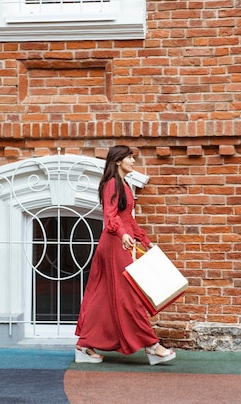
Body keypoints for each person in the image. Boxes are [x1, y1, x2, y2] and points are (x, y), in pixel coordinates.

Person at [74, 145, 176, 365]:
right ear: (118, 161)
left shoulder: (124, 185)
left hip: (121, 243)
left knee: (103, 297)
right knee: (130, 296)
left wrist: (145, 241)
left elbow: (128, 220)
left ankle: (84, 345)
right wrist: (122, 235)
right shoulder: (112, 184)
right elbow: (111, 218)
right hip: (114, 244)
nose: (133, 161)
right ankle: (152, 346)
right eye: (130, 157)